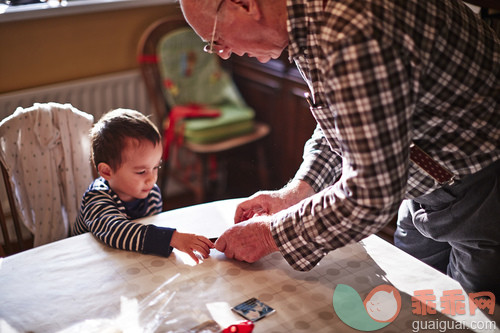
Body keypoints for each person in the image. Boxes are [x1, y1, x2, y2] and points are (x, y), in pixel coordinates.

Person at [179, 0, 500, 298]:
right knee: (413, 302)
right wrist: (296, 192)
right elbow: (350, 118)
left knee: (473, 315)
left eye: (216, 39)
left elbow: (371, 195)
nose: (221, 54)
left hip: (483, 182)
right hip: (421, 184)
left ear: (245, 4)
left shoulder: (350, 30)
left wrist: (269, 234)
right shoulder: (306, 23)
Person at [72, 109, 214, 262]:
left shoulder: (151, 193)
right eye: (141, 172)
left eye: (155, 167)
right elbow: (116, 232)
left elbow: (146, 233)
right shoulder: (96, 198)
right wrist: (172, 238)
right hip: (87, 261)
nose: (152, 179)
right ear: (107, 172)